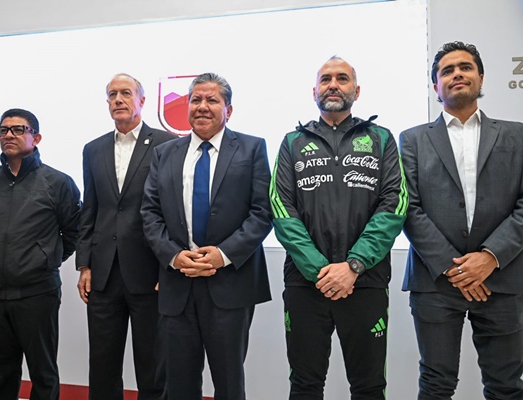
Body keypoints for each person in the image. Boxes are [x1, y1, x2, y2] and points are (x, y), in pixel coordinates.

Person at [270, 56, 407, 399]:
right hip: (306, 284)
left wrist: (354, 265)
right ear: (314, 91)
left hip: (365, 282)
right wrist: (321, 271)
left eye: (342, 78)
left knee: (369, 386)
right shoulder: (292, 142)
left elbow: (394, 204)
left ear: (356, 91)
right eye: (326, 79)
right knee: (305, 385)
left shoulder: (381, 139)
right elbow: (280, 208)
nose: (333, 85)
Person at [400, 41, 523, 400]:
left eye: (465, 67)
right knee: (436, 385)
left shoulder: (517, 135)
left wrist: (489, 257)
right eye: (447, 70)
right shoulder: (412, 140)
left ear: (481, 77)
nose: (457, 74)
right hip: (435, 280)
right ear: (435, 86)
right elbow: (408, 208)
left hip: (503, 277)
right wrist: (455, 269)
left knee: (506, 386)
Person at [141, 72, 272, 400]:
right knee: (178, 385)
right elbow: (150, 213)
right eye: (195, 100)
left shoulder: (252, 148)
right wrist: (173, 256)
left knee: (229, 383)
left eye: (212, 100)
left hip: (230, 284)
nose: (202, 106)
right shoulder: (165, 153)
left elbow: (262, 212)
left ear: (229, 109)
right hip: (178, 283)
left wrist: (221, 255)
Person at [0, 108, 81, 400]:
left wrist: (44, 259)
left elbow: (73, 233)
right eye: (3, 130)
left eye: (18, 129)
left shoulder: (58, 183)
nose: (8, 135)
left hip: (37, 292)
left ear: (36, 137)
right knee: (2, 372)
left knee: (43, 372)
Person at [76, 73, 176, 400]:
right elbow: (90, 208)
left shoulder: (167, 144)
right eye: (112, 94)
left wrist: (168, 265)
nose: (118, 99)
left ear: (142, 100)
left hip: (150, 273)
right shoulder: (93, 149)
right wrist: (84, 264)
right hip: (103, 273)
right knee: (102, 364)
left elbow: (173, 211)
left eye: (125, 93)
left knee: (153, 364)